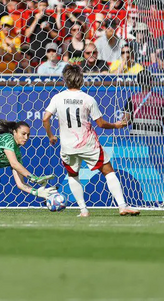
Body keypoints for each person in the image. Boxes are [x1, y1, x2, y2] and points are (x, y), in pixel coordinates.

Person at [42, 64, 140, 217]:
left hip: (68, 146)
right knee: (108, 171)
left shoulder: (58, 98)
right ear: (80, 80)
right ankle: (122, 206)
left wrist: (51, 136)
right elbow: (100, 124)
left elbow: (45, 118)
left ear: (65, 80)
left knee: (73, 175)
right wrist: (116, 125)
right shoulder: (88, 99)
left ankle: (83, 210)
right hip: (88, 143)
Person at [122, 70, 164, 136]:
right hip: (155, 136)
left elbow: (125, 121)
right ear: (151, 82)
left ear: (138, 83)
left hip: (137, 136)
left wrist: (133, 118)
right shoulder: (161, 99)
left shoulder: (132, 99)